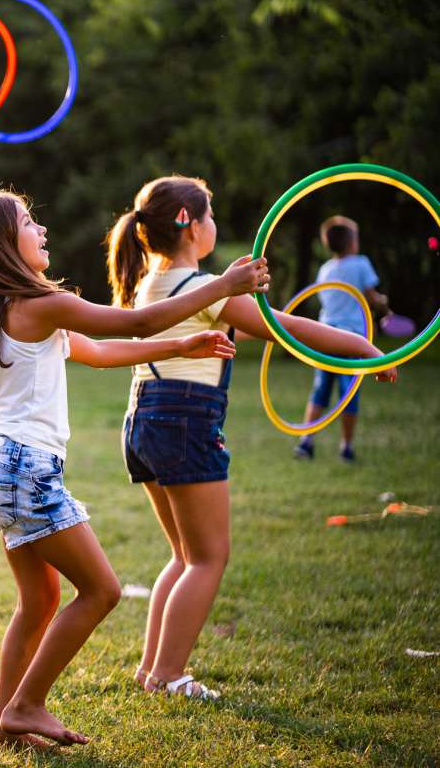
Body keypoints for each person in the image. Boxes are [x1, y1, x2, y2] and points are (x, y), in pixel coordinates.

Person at [0, 189, 268, 748]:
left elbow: (101, 351)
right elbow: (136, 324)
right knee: (101, 591)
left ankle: (3, 730)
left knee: (38, 602)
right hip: (25, 469)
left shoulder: (4, 308)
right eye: (28, 221)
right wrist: (221, 287)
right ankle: (27, 707)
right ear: (1, 245)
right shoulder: (40, 304)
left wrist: (182, 346)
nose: (41, 229)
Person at [105, 176, 395, 701]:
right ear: (189, 225)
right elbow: (287, 328)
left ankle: (153, 671)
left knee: (183, 554)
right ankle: (168, 675)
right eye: (210, 214)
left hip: (142, 420)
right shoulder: (205, 290)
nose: (215, 223)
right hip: (184, 421)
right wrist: (361, 345)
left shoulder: (149, 282)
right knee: (207, 557)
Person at [294, 215, 389, 462]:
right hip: (350, 338)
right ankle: (346, 447)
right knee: (349, 393)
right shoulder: (361, 264)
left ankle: (306, 442)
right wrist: (381, 303)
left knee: (320, 391)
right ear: (351, 243)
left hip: (325, 337)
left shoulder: (325, 269)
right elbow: (370, 296)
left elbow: (327, 301)